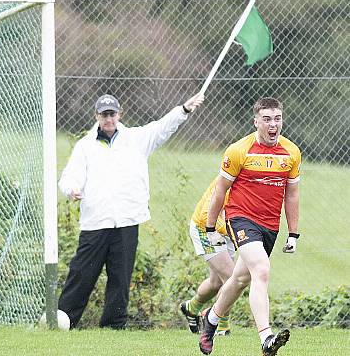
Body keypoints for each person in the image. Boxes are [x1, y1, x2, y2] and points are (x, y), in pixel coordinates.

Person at [58, 91, 205, 329]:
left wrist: (184, 110)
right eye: (104, 115)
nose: (109, 119)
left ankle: (114, 326)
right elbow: (69, 177)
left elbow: (162, 127)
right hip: (96, 222)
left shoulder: (136, 138)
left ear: (119, 114)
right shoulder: (85, 146)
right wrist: (71, 189)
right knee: (81, 273)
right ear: (96, 116)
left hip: (127, 221)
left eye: (112, 114)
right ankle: (64, 319)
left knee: (120, 276)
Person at [198, 97, 301, 356]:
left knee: (241, 278)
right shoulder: (239, 150)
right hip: (241, 218)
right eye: (266, 119)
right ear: (256, 121)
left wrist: (293, 233)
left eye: (277, 118)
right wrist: (211, 228)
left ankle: (211, 319)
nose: (272, 124)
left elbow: (292, 195)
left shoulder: (291, 152)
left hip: (270, 225)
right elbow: (220, 191)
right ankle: (266, 338)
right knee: (262, 270)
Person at [179, 178, 235, 336]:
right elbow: (205, 216)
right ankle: (220, 325)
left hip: (226, 232)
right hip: (207, 229)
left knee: (216, 282)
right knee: (232, 278)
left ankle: (192, 307)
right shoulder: (231, 178)